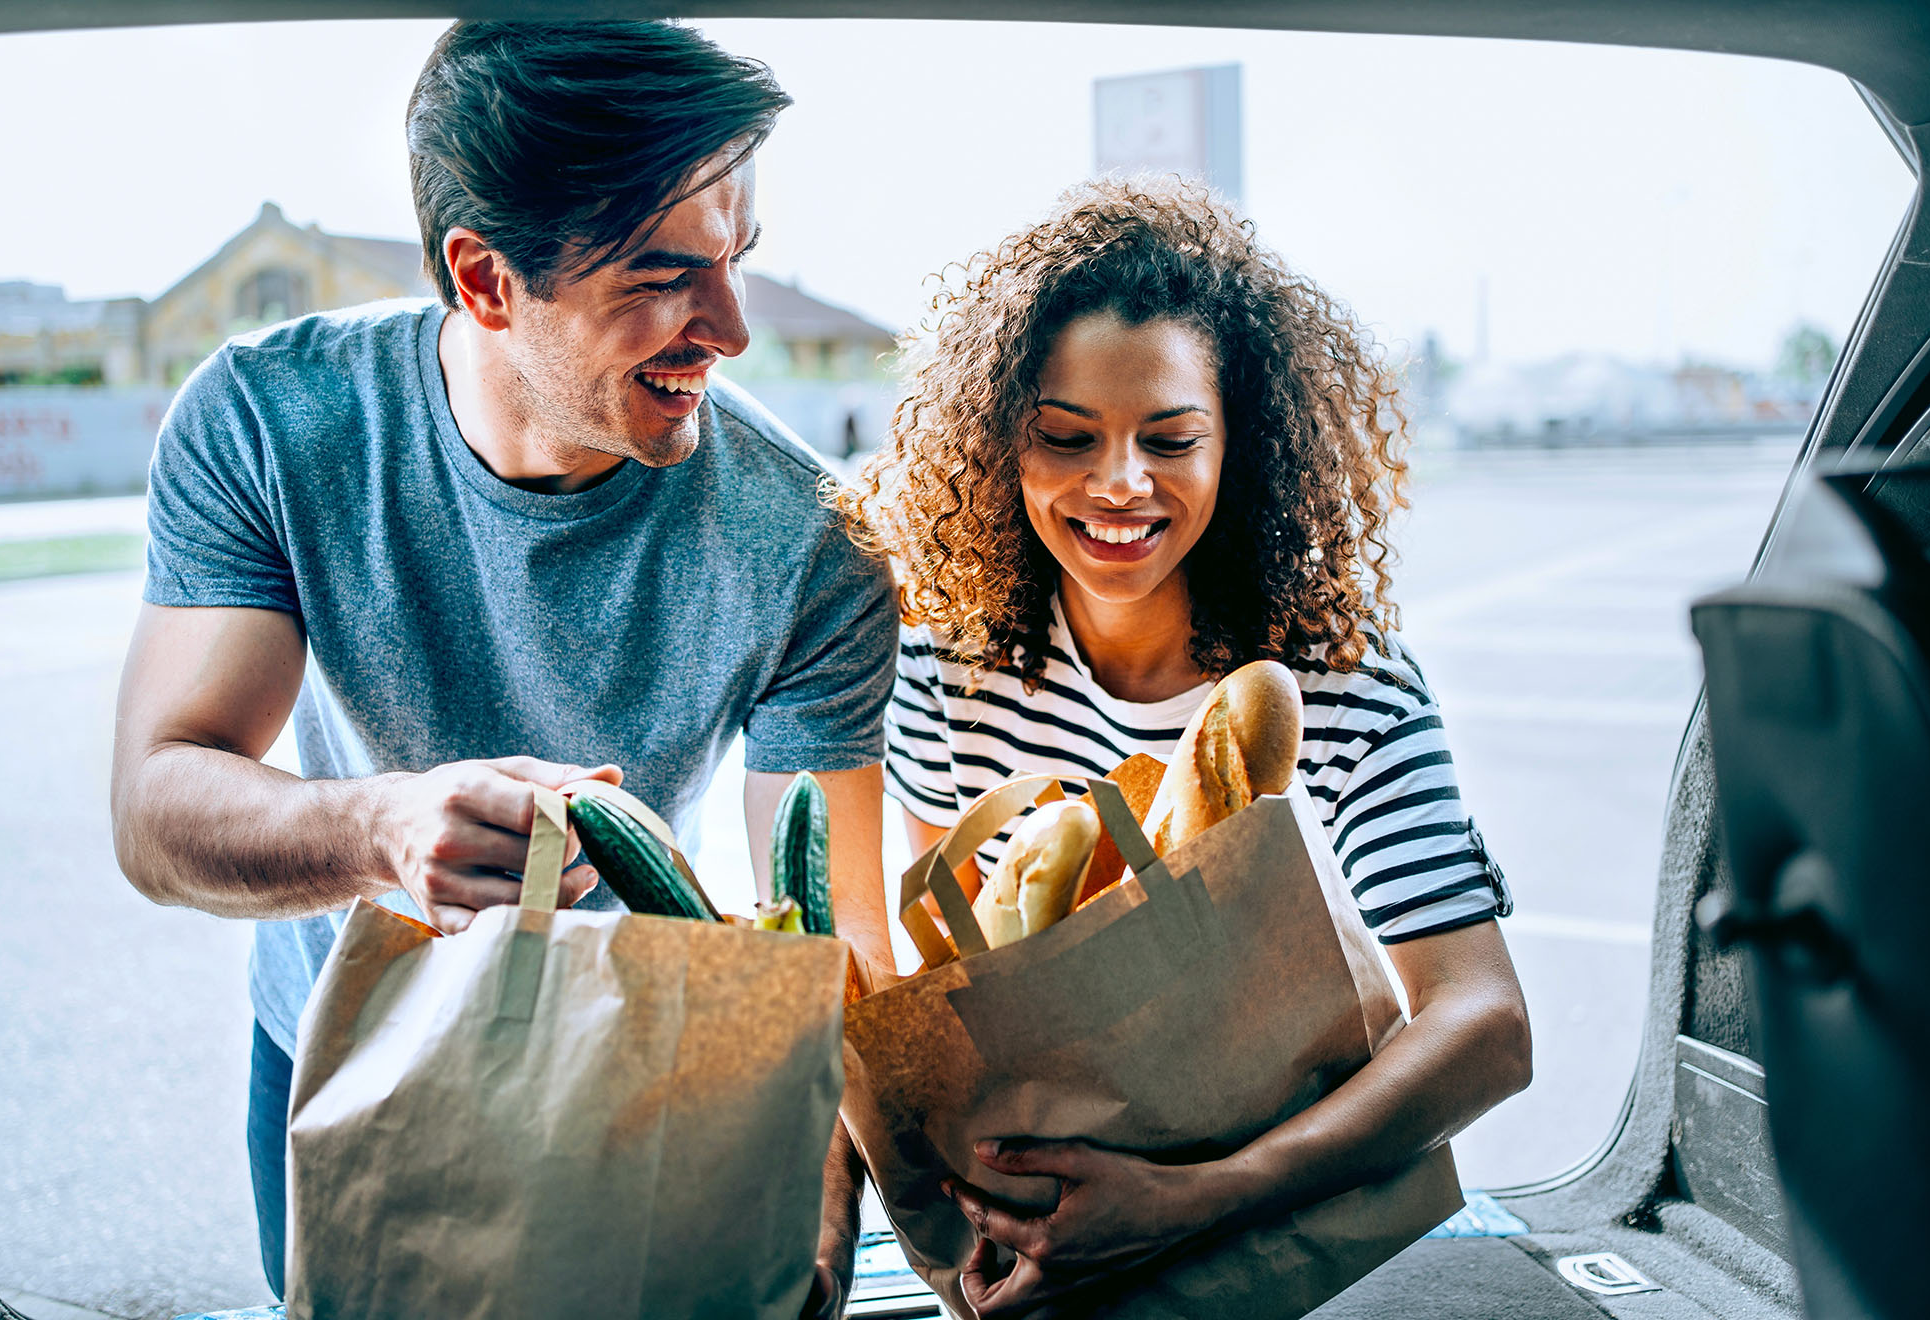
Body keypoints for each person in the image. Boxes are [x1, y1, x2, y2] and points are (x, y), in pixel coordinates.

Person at [108, 21, 894, 1315]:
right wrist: (383, 827)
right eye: (662, 274)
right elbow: (155, 810)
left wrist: (820, 1195)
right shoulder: (270, 420)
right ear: (483, 277)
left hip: (634, 1069)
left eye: (736, 257)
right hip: (337, 1049)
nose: (733, 327)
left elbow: (838, 935)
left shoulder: (816, 545)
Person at [836, 177, 1532, 1315]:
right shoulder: (945, 676)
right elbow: (961, 999)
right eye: (1066, 438)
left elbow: (1486, 1026)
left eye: (1170, 439)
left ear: (1238, 448)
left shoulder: (1343, 684)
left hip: (1289, 1223)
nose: (1119, 483)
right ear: (1000, 448)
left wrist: (1203, 1194)